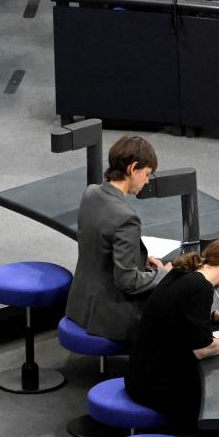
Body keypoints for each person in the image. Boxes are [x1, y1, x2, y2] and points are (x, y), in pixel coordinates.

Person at [124, 237, 219, 433]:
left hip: (139, 373)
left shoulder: (184, 272)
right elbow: (202, 350)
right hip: (156, 388)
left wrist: (218, 316)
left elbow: (178, 314)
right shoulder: (200, 287)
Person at [63, 135, 167, 344]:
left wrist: (137, 259)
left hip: (80, 304)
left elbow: (98, 247)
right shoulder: (126, 218)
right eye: (147, 174)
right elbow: (127, 282)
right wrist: (163, 274)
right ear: (133, 168)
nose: (147, 181)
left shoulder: (91, 193)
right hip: (111, 318)